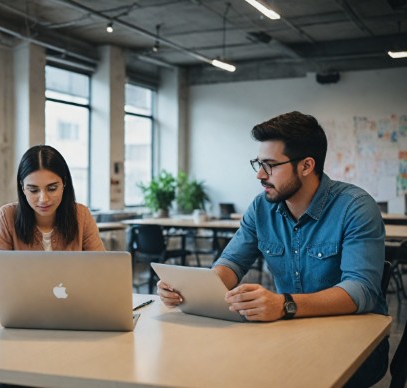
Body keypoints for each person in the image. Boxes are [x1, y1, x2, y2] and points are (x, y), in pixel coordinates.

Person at [158, 111, 388, 387]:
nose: (259, 174)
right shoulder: (261, 207)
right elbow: (232, 263)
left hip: (354, 345)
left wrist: (284, 305)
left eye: (270, 165)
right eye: (258, 163)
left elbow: (360, 290)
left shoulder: (355, 207)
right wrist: (193, 289)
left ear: (306, 166)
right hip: (288, 335)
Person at [0, 144, 105, 285]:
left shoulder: (81, 215)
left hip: (73, 302)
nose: (43, 199)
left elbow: (101, 268)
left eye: (52, 188)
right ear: (23, 187)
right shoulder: (7, 216)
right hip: (25, 304)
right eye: (33, 190)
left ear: (64, 184)